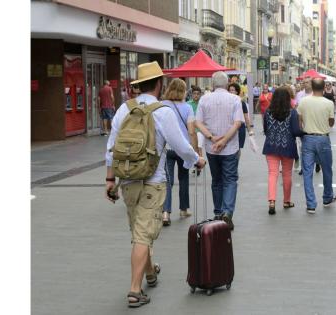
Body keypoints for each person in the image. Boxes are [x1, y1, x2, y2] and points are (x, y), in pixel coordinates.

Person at [104, 62, 206, 308]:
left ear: (139, 85)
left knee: (140, 232)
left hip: (127, 181)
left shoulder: (123, 109)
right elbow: (180, 146)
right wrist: (197, 160)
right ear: (159, 84)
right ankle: (134, 291)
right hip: (152, 181)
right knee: (143, 234)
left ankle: (150, 273)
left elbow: (110, 148)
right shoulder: (162, 112)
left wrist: (110, 180)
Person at [195, 71, 244, 230]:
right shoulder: (235, 99)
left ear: (213, 84)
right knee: (230, 179)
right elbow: (237, 123)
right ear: (227, 83)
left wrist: (211, 137)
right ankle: (227, 212)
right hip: (230, 147)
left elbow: (198, 122)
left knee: (216, 180)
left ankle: (217, 211)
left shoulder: (204, 99)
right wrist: (224, 140)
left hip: (212, 148)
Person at [161, 79, 199, 225]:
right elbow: (191, 132)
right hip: (183, 148)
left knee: (167, 180)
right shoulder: (187, 107)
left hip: (167, 148)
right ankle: (183, 209)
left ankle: (165, 213)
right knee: (184, 178)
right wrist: (195, 152)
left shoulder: (162, 105)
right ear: (184, 92)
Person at [297, 78, 336, 214]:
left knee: (307, 172)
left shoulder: (303, 101)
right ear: (324, 87)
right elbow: (331, 123)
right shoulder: (329, 103)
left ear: (312, 87)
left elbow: (299, 122)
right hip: (323, 139)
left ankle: (311, 204)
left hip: (307, 138)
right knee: (327, 170)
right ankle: (327, 198)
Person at [262, 87, 303, 215]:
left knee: (272, 173)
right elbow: (296, 131)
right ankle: (286, 201)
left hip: (271, 145)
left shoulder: (268, 112)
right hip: (288, 146)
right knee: (287, 174)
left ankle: (272, 201)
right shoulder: (292, 112)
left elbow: (266, 129)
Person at [228, 82, 255, 155]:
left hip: (240, 128)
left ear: (237, 91)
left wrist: (250, 131)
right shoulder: (226, 102)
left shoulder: (241, 102)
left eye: (232, 90)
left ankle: (235, 164)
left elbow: (246, 117)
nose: (231, 92)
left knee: (237, 148)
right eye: (229, 90)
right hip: (229, 127)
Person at [188, 86, 204, 159]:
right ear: (191, 94)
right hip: (190, 130)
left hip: (200, 130)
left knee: (199, 147)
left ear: (200, 94)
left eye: (198, 94)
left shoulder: (203, 104)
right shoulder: (188, 104)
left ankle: (199, 166)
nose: (196, 95)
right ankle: (195, 164)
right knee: (192, 149)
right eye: (194, 93)